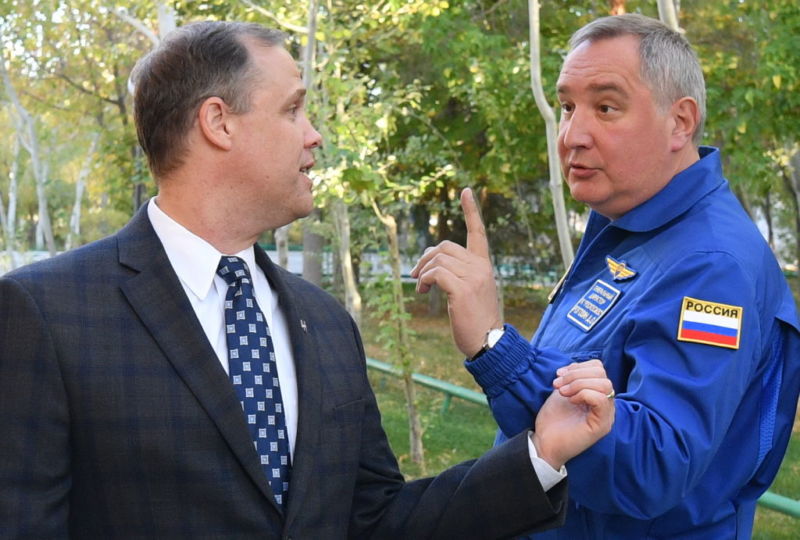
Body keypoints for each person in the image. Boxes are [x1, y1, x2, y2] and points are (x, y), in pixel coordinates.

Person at [0, 21, 616, 539]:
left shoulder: (323, 323)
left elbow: (376, 519)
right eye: (293, 109)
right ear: (219, 122)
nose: (314, 134)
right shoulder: (44, 315)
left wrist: (541, 453)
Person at [412, 13, 800, 539]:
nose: (573, 135)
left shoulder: (711, 265)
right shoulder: (629, 227)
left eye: (606, 107)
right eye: (568, 107)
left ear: (680, 123)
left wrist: (495, 346)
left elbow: (655, 469)